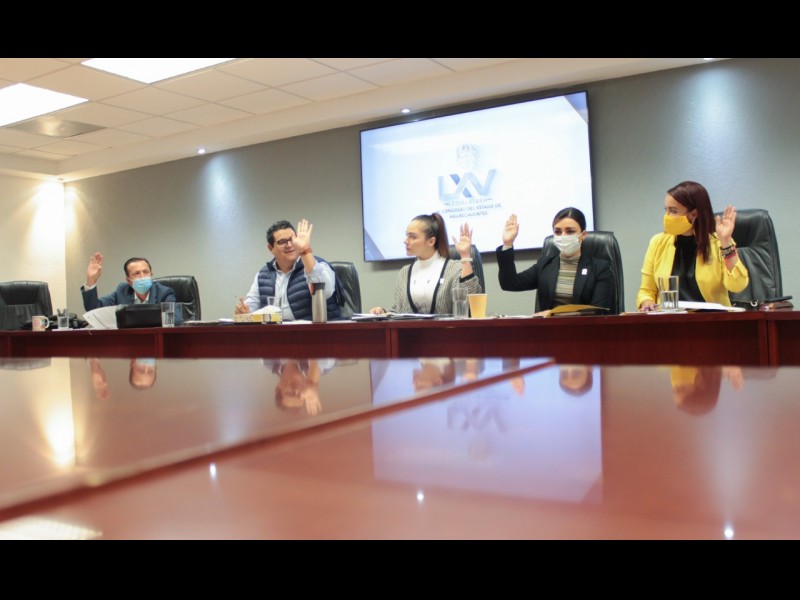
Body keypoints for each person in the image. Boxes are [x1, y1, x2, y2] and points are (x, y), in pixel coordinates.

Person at [637, 181, 750, 312]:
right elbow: (646, 290)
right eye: (666, 210)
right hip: (670, 319)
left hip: (712, 319)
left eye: (673, 211)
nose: (667, 216)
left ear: (693, 214)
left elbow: (737, 285)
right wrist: (647, 302)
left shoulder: (718, 243)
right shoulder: (658, 242)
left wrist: (726, 242)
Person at [496, 208, 615, 315]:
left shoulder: (599, 268)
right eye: (558, 232)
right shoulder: (545, 265)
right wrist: (508, 244)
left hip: (584, 330)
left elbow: (599, 310)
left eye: (570, 231)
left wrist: (553, 314)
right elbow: (509, 283)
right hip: (549, 330)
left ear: (583, 235)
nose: (563, 236)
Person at [369, 213, 481, 315]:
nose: (406, 241)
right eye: (407, 235)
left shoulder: (454, 268)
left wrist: (465, 256)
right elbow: (397, 311)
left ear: (431, 241)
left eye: (413, 237)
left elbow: (469, 304)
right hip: (410, 331)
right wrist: (383, 313)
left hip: (446, 330)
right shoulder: (404, 272)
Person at [236, 219, 341, 321]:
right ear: (271, 248)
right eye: (282, 242)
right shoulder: (262, 276)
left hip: (315, 331)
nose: (290, 245)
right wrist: (244, 312)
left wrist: (305, 251)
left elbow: (325, 292)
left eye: (292, 239)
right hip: (276, 332)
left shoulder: (319, 265)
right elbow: (250, 309)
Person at [81, 253, 176, 312]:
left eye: (146, 272)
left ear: (151, 274)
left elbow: (174, 319)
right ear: (129, 281)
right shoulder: (122, 291)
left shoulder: (164, 293)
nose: (142, 276)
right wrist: (91, 280)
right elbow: (94, 309)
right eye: (137, 273)